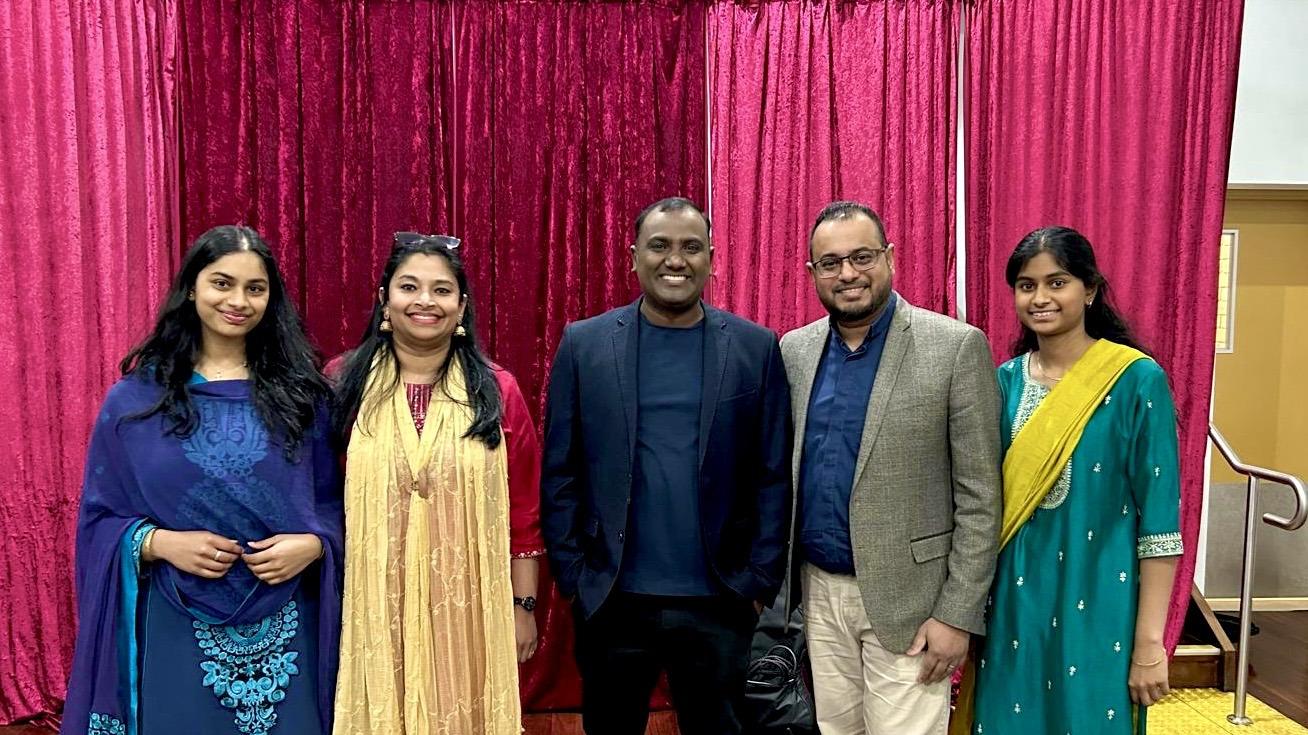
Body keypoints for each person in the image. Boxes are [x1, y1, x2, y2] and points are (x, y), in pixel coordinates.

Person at [62, 225, 343, 735]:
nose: (238, 301)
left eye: (255, 289)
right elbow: (100, 518)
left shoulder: (305, 398)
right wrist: (158, 543)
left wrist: (315, 545)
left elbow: (338, 505)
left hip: (288, 620)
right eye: (222, 283)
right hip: (174, 618)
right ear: (191, 288)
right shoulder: (136, 401)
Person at [540, 197, 793, 735]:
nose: (675, 259)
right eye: (659, 245)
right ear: (633, 256)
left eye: (690, 247)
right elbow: (561, 469)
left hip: (720, 601)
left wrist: (757, 582)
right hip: (613, 600)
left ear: (711, 259)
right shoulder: (583, 345)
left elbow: (772, 474)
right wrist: (574, 576)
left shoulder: (755, 348)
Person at [780, 201, 1002, 735]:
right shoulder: (795, 351)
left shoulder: (954, 347)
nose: (848, 273)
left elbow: (981, 497)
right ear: (812, 273)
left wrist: (957, 615)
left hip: (913, 603)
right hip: (818, 594)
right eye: (830, 263)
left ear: (890, 258)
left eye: (862, 256)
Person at [968, 226, 1182, 734]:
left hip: (1101, 602)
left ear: (1090, 290)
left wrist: (1150, 643)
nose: (1040, 298)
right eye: (1026, 285)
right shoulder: (1003, 381)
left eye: (1057, 282)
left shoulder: (1136, 380)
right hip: (1013, 606)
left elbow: (1160, 526)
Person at [329, 232, 544, 735]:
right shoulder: (342, 383)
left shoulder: (497, 390)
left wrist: (523, 608)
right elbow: (322, 496)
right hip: (370, 603)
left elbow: (524, 513)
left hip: (469, 606)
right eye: (409, 287)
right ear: (384, 299)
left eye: (442, 290)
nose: (425, 301)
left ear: (461, 306)